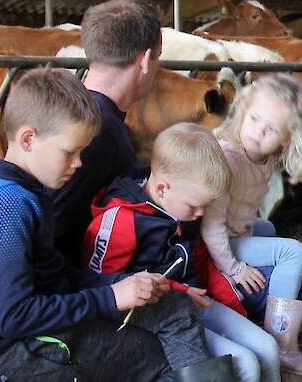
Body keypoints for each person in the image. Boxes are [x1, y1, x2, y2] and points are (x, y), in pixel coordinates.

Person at [0, 68, 231, 381]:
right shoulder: (6, 208)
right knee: (159, 358)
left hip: (37, 327)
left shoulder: (25, 191)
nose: (78, 164)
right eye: (70, 152)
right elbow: (15, 316)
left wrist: (123, 283)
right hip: (13, 353)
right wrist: (111, 297)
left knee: (172, 305)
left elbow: (52, 277)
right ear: (28, 139)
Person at [84, 122, 282, 382]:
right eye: (195, 207)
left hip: (195, 302)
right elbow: (106, 284)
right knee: (244, 363)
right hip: (156, 315)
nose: (200, 215)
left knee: (268, 347)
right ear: (163, 188)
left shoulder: (181, 206)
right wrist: (178, 291)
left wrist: (229, 298)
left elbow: (198, 260)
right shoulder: (121, 221)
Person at [202, 73, 302, 377]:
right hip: (219, 240)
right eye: (255, 118)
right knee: (292, 251)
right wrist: (235, 269)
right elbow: (210, 225)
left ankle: (269, 321)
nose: (258, 131)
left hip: (238, 229)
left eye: (271, 128)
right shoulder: (228, 159)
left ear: (288, 138)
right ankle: (282, 343)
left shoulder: (265, 158)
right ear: (243, 112)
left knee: (269, 230)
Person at [53, 0, 163, 263]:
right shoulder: (103, 131)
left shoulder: (69, 106)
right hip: (76, 281)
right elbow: (58, 231)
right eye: (159, 57)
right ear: (146, 60)